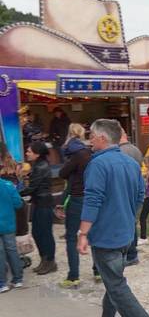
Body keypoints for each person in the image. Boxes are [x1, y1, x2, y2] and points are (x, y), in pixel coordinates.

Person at [77, 119, 149, 317]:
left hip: (106, 237)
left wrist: (83, 233)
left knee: (116, 286)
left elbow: (92, 200)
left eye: (91, 136)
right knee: (113, 280)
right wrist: (128, 216)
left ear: (102, 138)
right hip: (125, 234)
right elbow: (140, 195)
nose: (89, 141)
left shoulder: (98, 164)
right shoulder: (131, 163)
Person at [58, 124, 97, 288]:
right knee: (94, 235)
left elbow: (62, 173)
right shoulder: (90, 152)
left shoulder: (72, 153)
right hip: (92, 196)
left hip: (76, 198)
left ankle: (73, 276)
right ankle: (99, 271)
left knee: (72, 237)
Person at [21, 141, 57, 275]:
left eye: (29, 151)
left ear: (37, 154)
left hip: (43, 204)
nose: (27, 153)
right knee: (37, 233)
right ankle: (45, 260)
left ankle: (50, 261)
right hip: (39, 202)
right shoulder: (38, 165)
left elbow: (32, 188)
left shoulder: (40, 167)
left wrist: (14, 193)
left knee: (44, 234)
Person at [119, 128, 143, 267]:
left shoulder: (120, 152)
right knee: (132, 221)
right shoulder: (136, 150)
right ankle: (132, 254)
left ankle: (129, 254)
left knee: (126, 223)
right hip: (135, 188)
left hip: (125, 190)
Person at [0, 176, 24, 293]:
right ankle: (18, 279)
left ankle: (2, 283)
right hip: (8, 223)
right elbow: (18, 203)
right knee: (12, 250)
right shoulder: (8, 185)